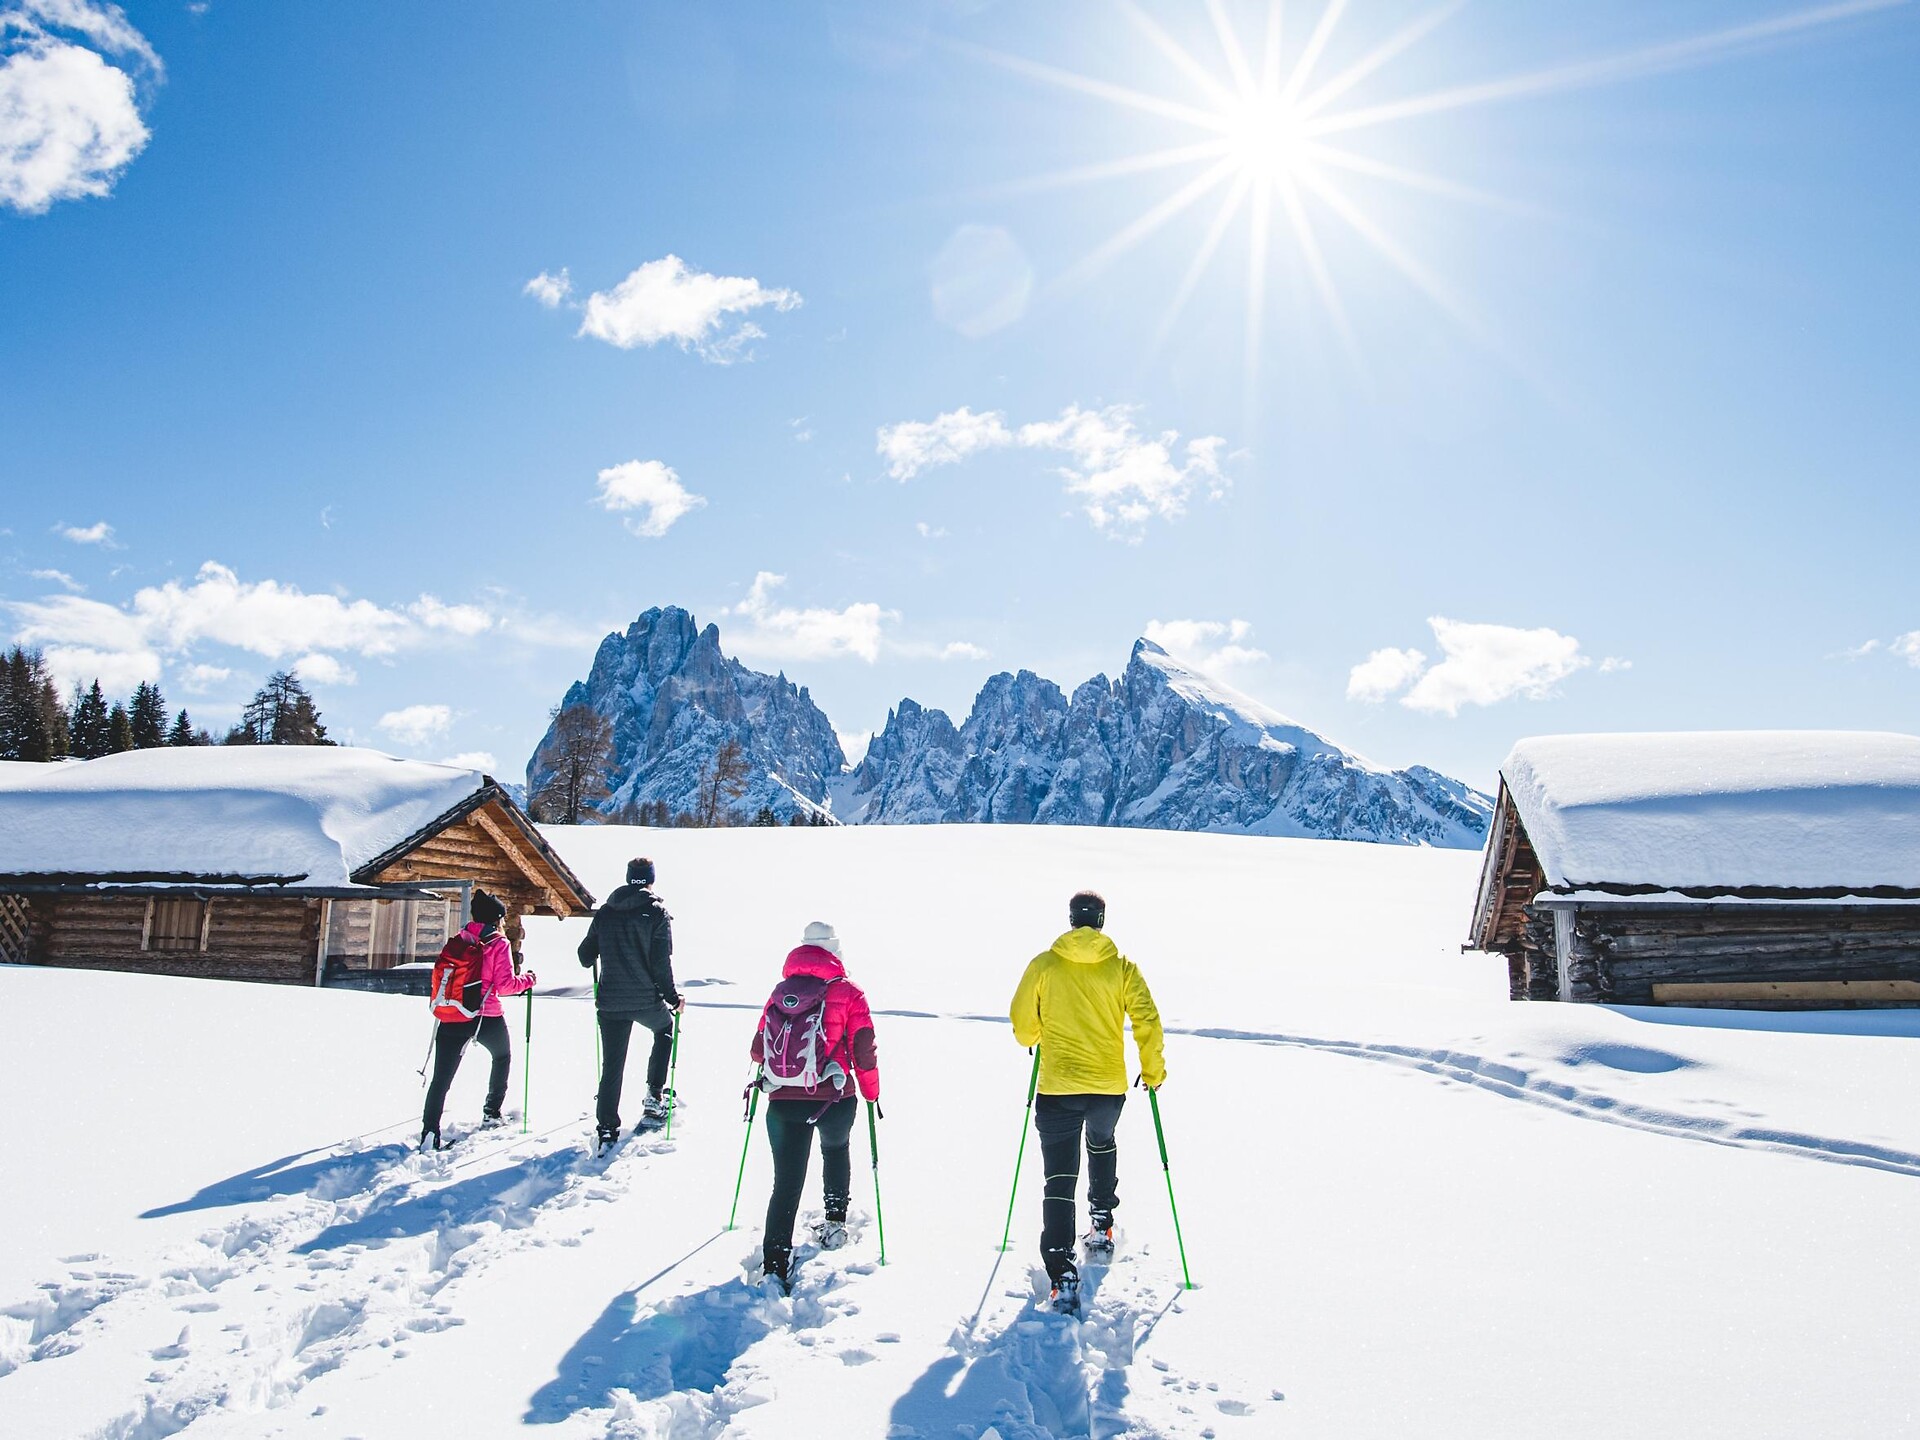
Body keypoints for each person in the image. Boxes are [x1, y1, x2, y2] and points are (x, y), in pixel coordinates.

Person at [1009, 889, 1164, 1313]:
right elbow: (1147, 1019)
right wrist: (1152, 1072)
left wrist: (1037, 1036)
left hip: (1058, 1086)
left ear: (1071, 919)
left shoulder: (1045, 964)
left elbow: (1022, 1024)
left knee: (1059, 1176)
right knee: (1101, 1145)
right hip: (1107, 1088)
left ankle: (1061, 1273)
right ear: (1101, 922)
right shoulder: (1122, 969)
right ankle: (1101, 1224)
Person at [750, 920, 881, 1292]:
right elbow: (863, 1049)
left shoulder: (780, 993)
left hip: (782, 1101)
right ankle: (835, 1222)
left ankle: (775, 1263)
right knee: (836, 1150)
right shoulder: (849, 992)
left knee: (786, 1183)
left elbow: (759, 1049)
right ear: (835, 952)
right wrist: (871, 1093)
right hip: (834, 1099)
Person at [578, 856, 681, 1152]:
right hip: (645, 997)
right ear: (651, 879)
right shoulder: (657, 913)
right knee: (664, 1030)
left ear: (627, 878)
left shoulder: (606, 913)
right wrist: (673, 999)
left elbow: (585, 956)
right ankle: (653, 1098)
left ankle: (607, 1127)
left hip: (610, 1000)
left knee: (613, 1064)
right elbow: (661, 964)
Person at [421, 889, 537, 1149]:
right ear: (496, 919)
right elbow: (505, 986)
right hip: (485, 1016)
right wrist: (528, 980)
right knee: (502, 1056)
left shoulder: (461, 938)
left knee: (441, 1078)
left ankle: (429, 1133)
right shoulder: (498, 943)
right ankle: (491, 1112)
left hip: (452, 1013)